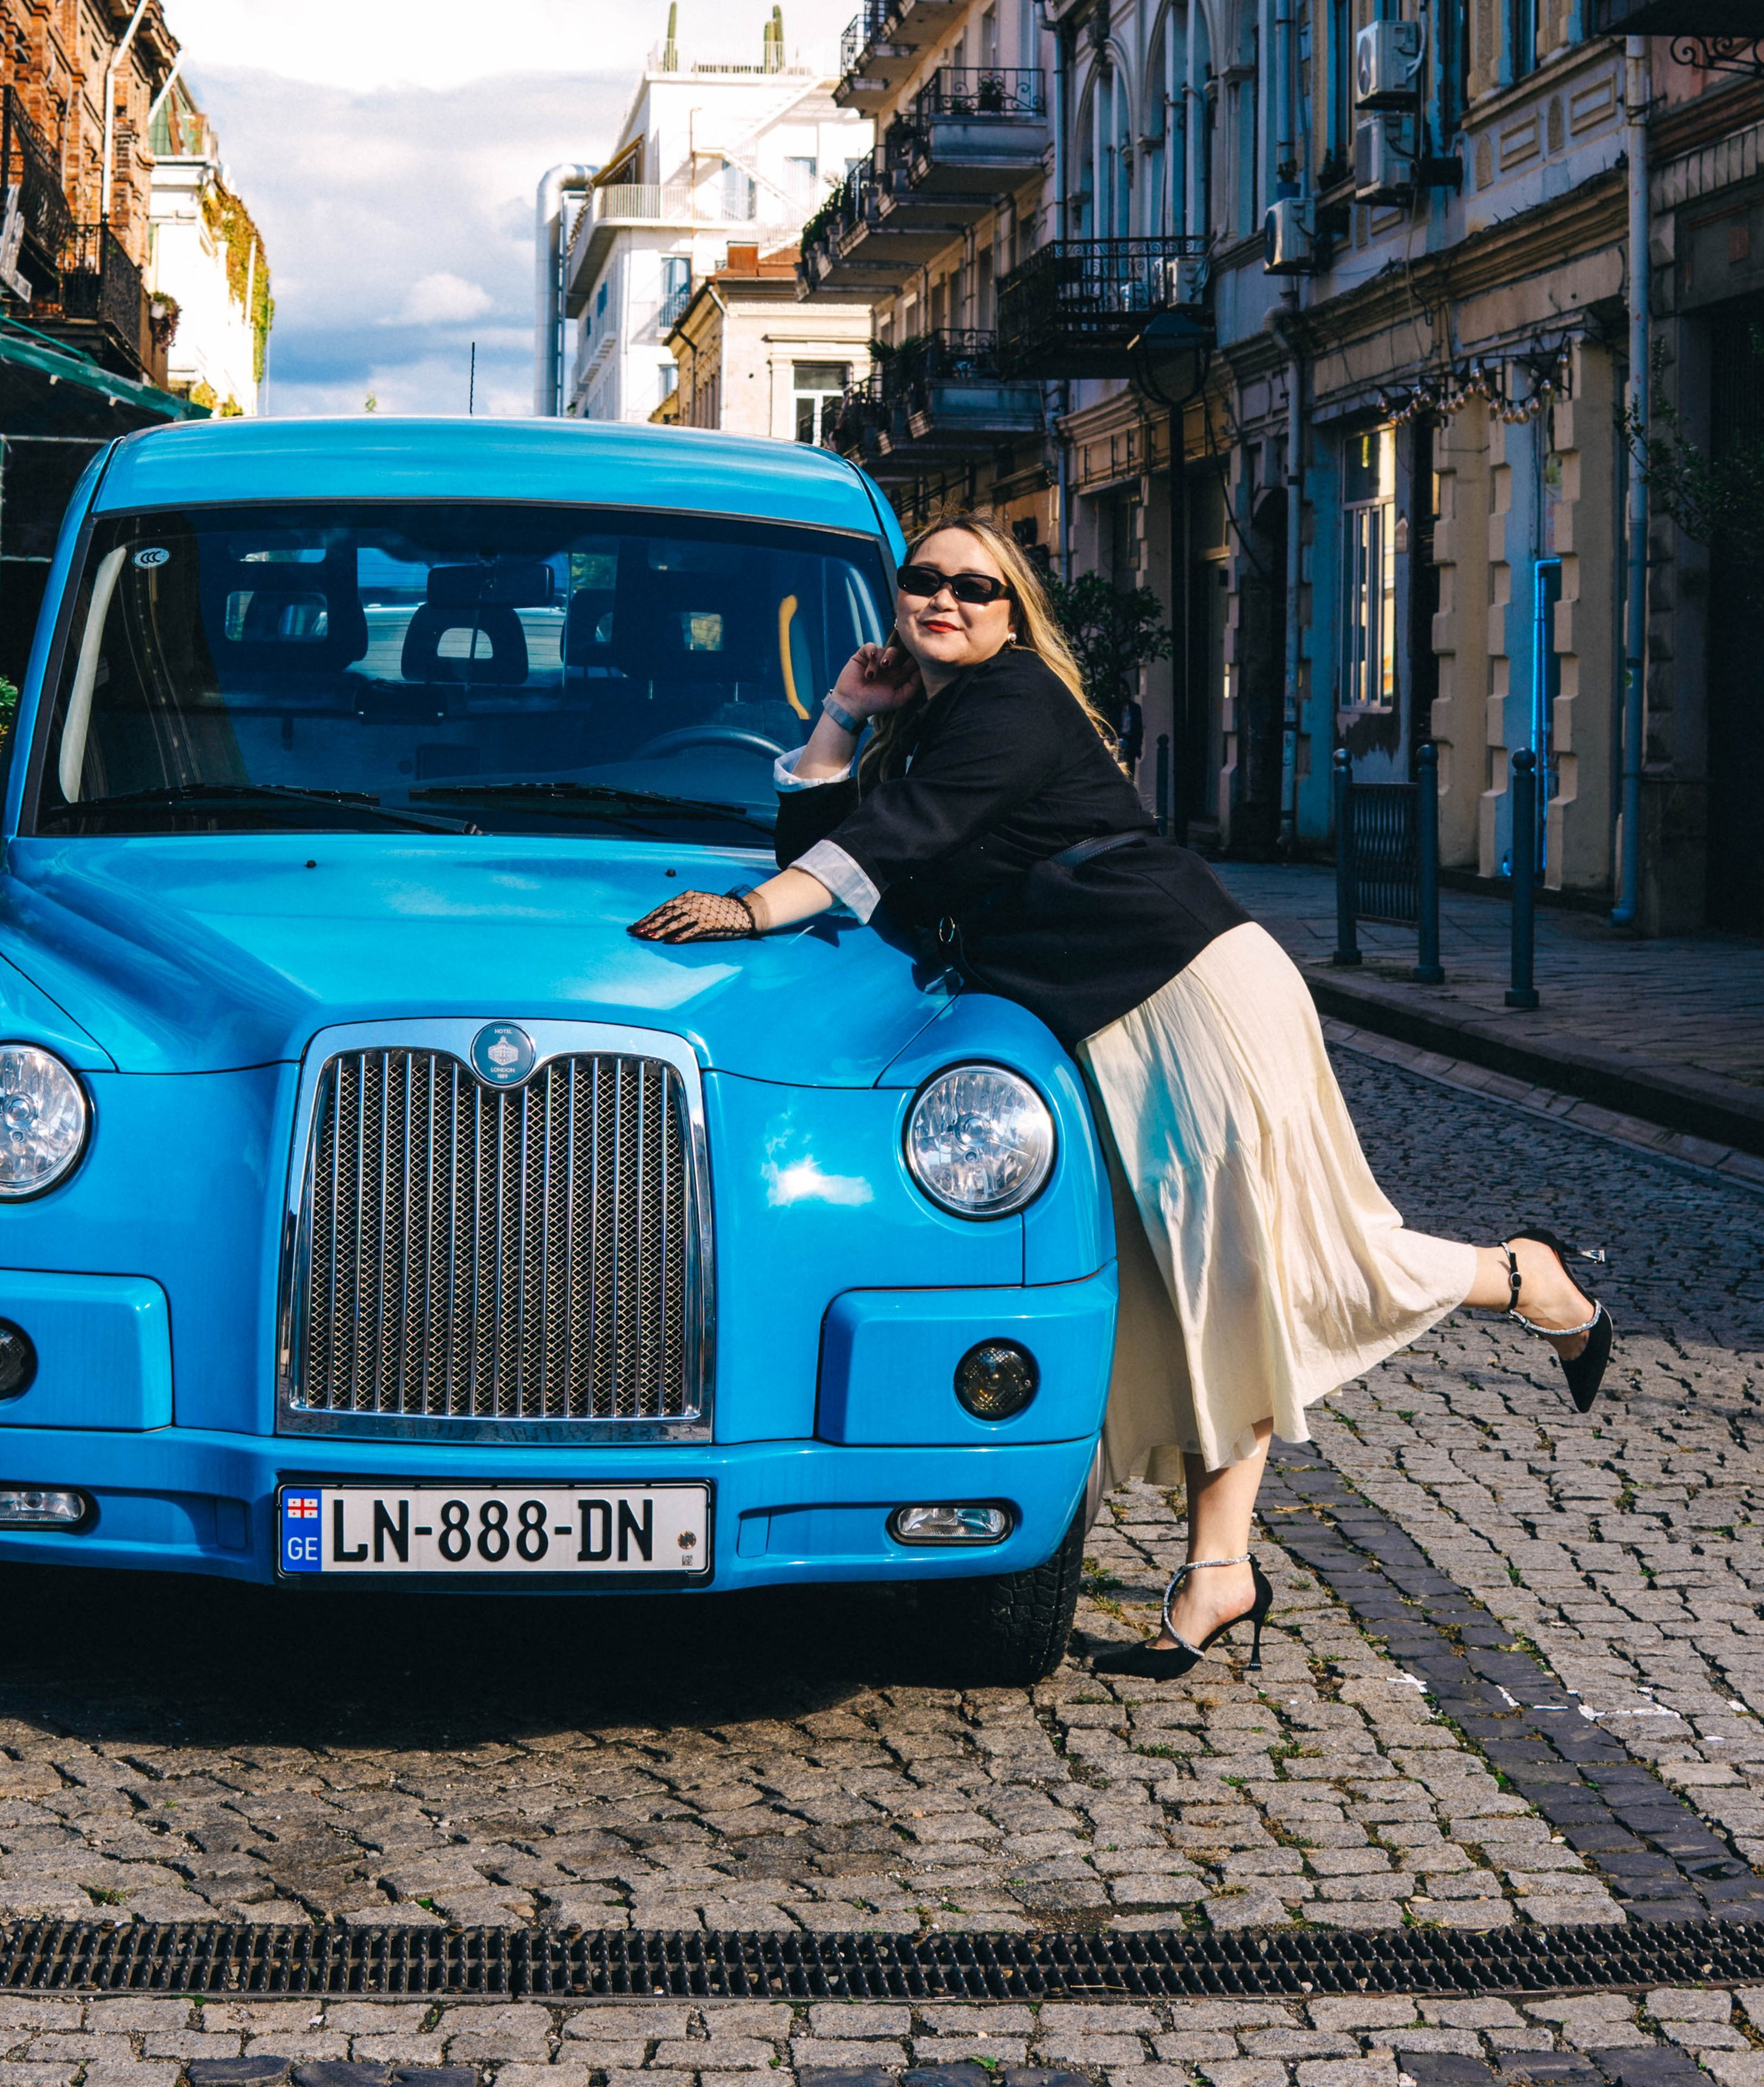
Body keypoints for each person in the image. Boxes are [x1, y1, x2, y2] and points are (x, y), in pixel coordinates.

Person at [629, 512, 1611, 1680]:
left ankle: (1525, 1278)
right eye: (924, 578)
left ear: (1012, 614)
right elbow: (838, 842)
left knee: (1275, 1269)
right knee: (1185, 1289)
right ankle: (1220, 1569)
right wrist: (843, 712)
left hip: (1187, 991)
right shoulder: (927, 720)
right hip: (1099, 1019)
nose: (944, 599)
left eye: (975, 588)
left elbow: (887, 845)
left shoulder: (1014, 701)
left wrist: (751, 909)